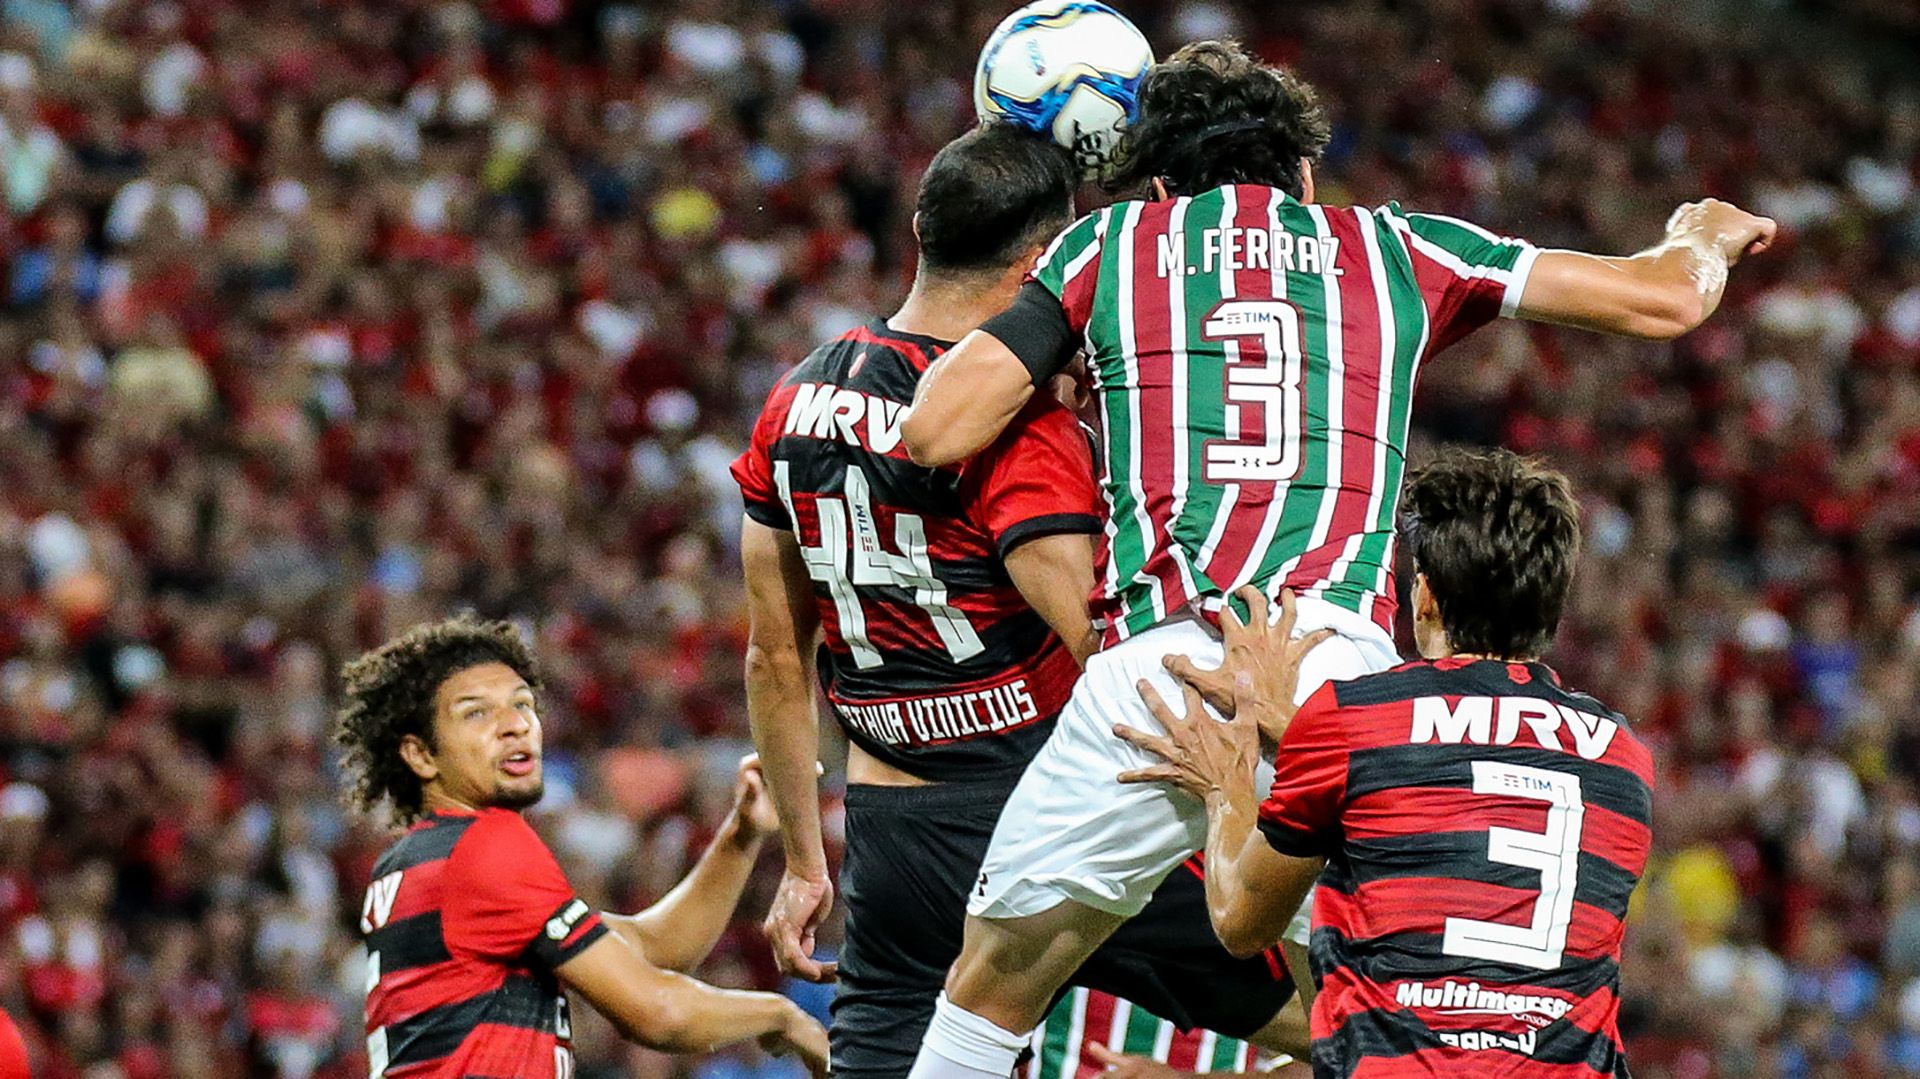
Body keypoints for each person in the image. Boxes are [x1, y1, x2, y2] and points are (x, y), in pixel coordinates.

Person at [897, 40, 1769, 1079]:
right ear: (1305, 173)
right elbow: (1664, 301)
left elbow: (934, 429)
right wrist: (1704, 231)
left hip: (1158, 671)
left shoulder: (1111, 244)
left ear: (1159, 184)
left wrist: (1069, 371)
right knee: (1399, 1003)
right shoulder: (1398, 246)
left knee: (991, 986)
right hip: (1337, 684)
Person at [733, 123, 1301, 1079]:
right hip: (1044, 813)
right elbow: (1099, 640)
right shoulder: (1012, 426)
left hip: (892, 835)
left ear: (922, 227)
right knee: (1354, 1020)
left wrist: (801, 860)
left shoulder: (792, 400)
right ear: (1045, 262)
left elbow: (775, 656)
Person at [1120, 448, 1652, 1077]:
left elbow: (1241, 922)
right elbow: (1476, 784)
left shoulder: (1354, 719)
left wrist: (1225, 784)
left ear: (1423, 594)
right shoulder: (1624, 759)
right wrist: (1300, 738)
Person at [332, 615, 829, 1079]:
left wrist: (742, 832)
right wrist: (782, 1015)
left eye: (522, 704)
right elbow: (656, 1011)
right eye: (476, 713)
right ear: (421, 755)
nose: (515, 724)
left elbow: (653, 949)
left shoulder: (418, 860)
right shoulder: (484, 846)